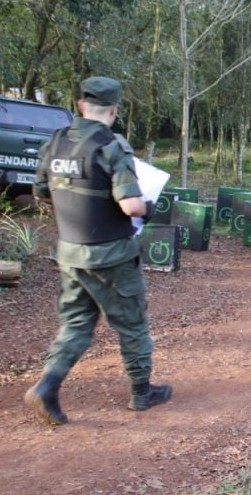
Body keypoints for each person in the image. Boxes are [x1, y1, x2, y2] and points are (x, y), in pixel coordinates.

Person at [25, 76, 172, 425]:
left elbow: (42, 193)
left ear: (80, 105)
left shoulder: (56, 141)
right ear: (113, 109)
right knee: (131, 324)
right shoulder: (110, 146)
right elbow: (131, 206)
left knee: (76, 324)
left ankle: (47, 386)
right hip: (112, 256)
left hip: (71, 252)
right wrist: (149, 208)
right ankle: (141, 391)